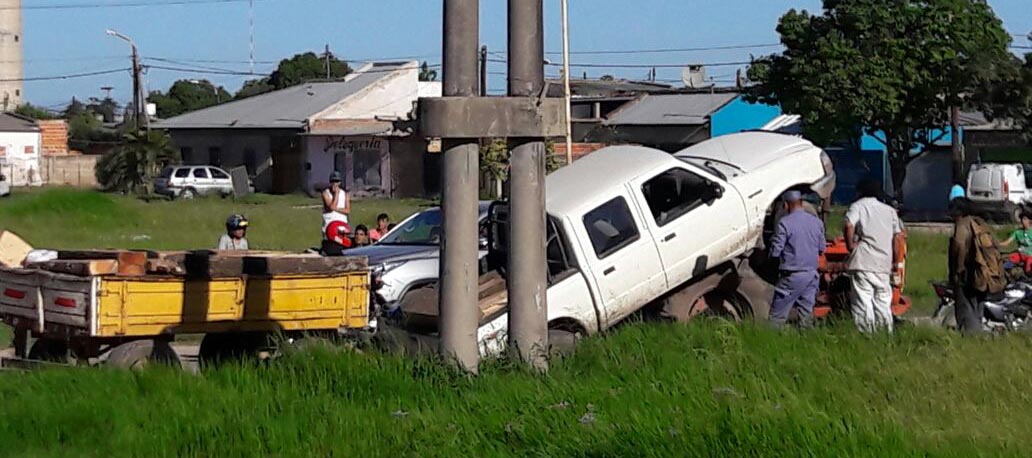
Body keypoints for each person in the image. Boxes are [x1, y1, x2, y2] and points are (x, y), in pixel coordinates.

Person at [844, 179, 905, 333]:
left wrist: (850, 245)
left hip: (864, 262)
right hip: (884, 264)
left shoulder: (858, 206)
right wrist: (896, 263)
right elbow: (899, 237)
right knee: (883, 302)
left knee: (863, 301)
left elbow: (848, 225)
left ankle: (867, 336)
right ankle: (885, 334)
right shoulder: (889, 210)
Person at [768, 190, 826, 328]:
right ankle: (808, 343)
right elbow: (822, 247)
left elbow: (776, 251)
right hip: (811, 275)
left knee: (777, 316)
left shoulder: (784, 223)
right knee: (806, 315)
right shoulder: (816, 222)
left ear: (786, 205)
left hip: (792, 276)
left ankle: (770, 343)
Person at [949, 197, 1006, 334]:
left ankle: (971, 336)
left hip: (968, 273)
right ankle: (978, 333)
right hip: (984, 273)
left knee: (965, 307)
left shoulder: (962, 225)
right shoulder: (980, 223)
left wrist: (958, 270)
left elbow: (959, 246)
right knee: (978, 305)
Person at [321, 171, 350, 239]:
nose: (334, 183)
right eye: (333, 181)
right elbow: (330, 207)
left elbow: (347, 210)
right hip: (329, 224)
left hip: (342, 224)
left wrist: (335, 208)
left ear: (339, 182)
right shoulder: (326, 193)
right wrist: (336, 194)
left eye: (336, 181)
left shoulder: (345, 194)